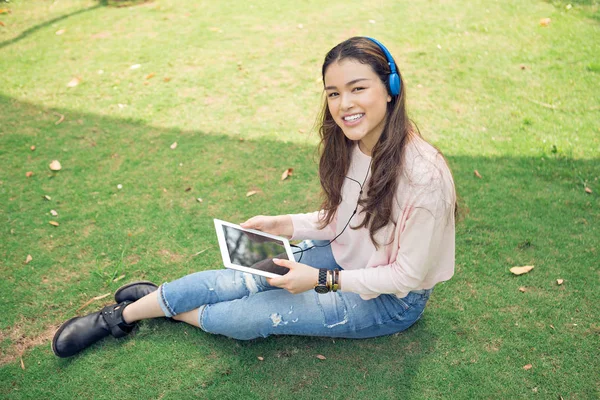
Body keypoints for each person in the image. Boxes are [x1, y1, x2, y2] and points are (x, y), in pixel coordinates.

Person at [52, 36, 457, 358]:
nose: (344, 105)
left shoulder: (424, 179)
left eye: (357, 89)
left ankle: (166, 305)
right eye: (333, 93)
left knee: (244, 319)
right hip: (342, 256)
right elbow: (347, 219)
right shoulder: (352, 142)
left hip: (389, 301)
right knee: (239, 276)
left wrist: (320, 280)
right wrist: (285, 224)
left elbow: (408, 276)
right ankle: (121, 316)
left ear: (390, 88)